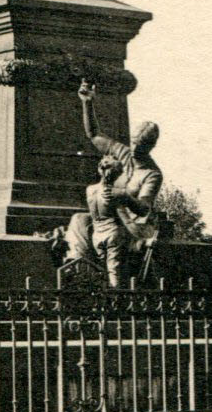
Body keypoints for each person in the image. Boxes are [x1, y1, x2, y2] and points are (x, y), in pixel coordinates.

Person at [63, 82, 162, 287]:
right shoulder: (124, 153)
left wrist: (123, 196)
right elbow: (94, 135)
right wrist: (87, 104)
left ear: (150, 146)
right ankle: (82, 271)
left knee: (114, 236)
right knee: (79, 220)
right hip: (109, 220)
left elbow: (144, 208)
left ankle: (112, 288)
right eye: (133, 141)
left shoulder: (152, 174)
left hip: (133, 226)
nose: (134, 148)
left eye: (140, 145)